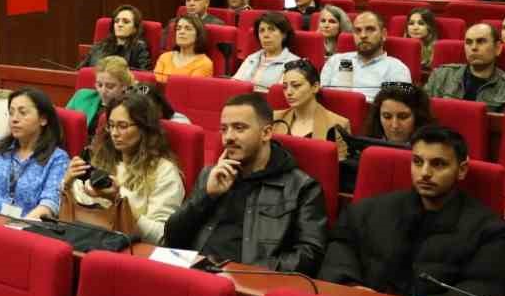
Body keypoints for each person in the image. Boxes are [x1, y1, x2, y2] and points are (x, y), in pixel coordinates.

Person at [320, 126, 505, 296]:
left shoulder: (489, 231)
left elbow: (484, 294)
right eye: (418, 162)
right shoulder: (369, 210)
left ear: (462, 170)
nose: (425, 173)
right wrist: (350, 286)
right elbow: (340, 248)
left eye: (438, 164)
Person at [162, 93, 328, 274]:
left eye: (239, 128)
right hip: (194, 274)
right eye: (224, 129)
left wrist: (249, 272)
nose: (228, 137)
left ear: (266, 133)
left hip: (248, 284)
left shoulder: (301, 187)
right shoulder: (212, 175)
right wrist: (207, 196)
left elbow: (310, 256)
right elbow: (172, 237)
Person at [64, 90, 184, 244]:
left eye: (122, 126)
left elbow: (160, 236)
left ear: (144, 128)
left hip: (129, 250)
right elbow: (71, 214)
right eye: (111, 126)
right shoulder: (98, 158)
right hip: (85, 240)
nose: (114, 133)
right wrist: (67, 184)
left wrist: (119, 202)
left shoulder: (164, 172)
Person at [0, 87, 70, 219]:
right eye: (11, 113)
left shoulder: (57, 159)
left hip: (25, 231)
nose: (14, 119)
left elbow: (49, 204)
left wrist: (17, 228)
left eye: (22, 113)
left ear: (43, 119)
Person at [424, 22, 505, 112]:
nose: (473, 47)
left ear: (497, 48)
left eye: (481, 41)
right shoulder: (441, 75)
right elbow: (421, 112)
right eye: (468, 42)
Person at [320, 10, 412, 102]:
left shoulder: (397, 69)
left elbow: (396, 109)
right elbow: (320, 98)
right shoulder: (335, 60)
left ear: (384, 34)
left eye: (370, 29)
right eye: (358, 31)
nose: (363, 35)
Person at [271, 60, 350, 149]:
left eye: (296, 85)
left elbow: (337, 162)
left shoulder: (338, 125)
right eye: (285, 87)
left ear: (315, 87)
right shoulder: (274, 118)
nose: (288, 92)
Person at [232, 11, 299, 91]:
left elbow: (281, 94)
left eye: (271, 29)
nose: (266, 35)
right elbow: (233, 85)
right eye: (262, 31)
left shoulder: (294, 63)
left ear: (284, 34)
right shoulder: (251, 58)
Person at [81, 5, 152, 70]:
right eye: (116, 21)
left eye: (126, 22)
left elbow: (145, 78)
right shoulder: (99, 46)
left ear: (135, 28)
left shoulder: (139, 48)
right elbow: (80, 72)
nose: (120, 24)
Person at [364, 82, 434, 144]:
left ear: (418, 117)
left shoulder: (432, 152)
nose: (395, 125)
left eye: (403, 117)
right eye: (387, 117)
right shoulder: (366, 146)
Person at [154, 13, 213, 84]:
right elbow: (154, 85)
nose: (181, 32)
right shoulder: (165, 57)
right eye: (178, 28)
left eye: (188, 29)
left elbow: (189, 90)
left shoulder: (204, 63)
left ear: (198, 35)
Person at [403, 7, 438, 75]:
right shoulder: (400, 48)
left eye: (421, 23)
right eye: (411, 23)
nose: (415, 28)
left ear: (430, 27)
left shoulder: (437, 50)